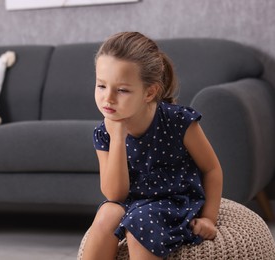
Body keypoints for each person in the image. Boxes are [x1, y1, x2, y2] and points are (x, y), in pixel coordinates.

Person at [82, 32, 223, 260]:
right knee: (107, 213)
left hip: (174, 200)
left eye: (122, 90)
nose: (108, 98)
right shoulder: (104, 133)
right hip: (132, 200)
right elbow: (114, 194)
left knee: (140, 221)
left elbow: (212, 169)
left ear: (149, 92)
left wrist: (209, 218)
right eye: (101, 86)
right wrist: (117, 137)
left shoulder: (179, 121)